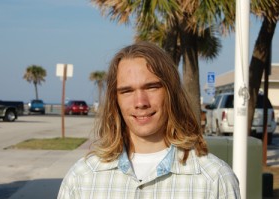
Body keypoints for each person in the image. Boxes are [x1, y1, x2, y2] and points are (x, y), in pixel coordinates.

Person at [57, 41, 240, 198]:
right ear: (115, 100)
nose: (140, 102)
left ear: (171, 93)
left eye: (151, 87)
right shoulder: (81, 178)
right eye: (127, 91)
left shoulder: (215, 179)